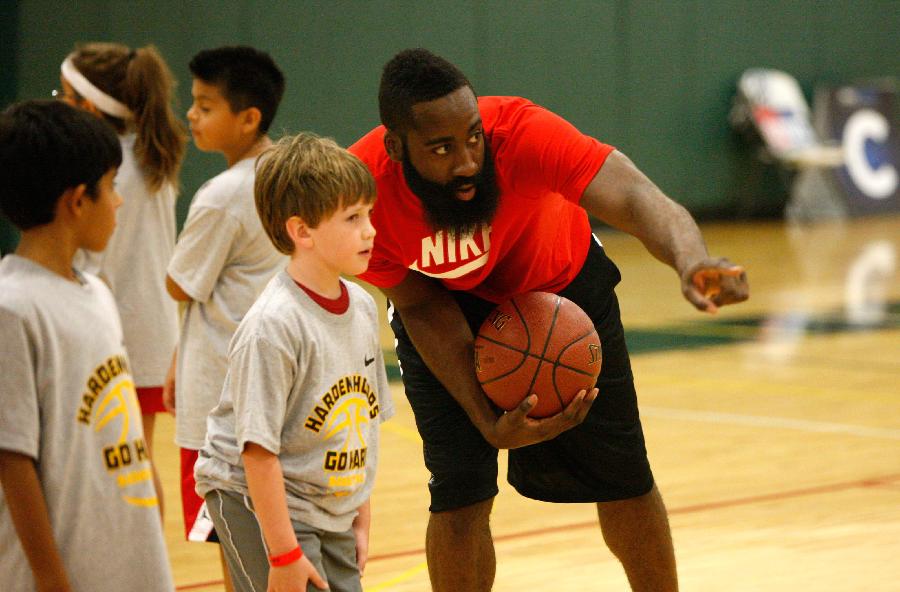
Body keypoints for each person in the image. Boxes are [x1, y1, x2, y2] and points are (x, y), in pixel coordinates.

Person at [349, 48, 750, 591]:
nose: (467, 161)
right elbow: (421, 305)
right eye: (441, 148)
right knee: (460, 492)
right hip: (442, 307)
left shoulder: (523, 132)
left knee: (625, 477)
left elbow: (634, 194)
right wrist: (485, 418)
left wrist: (692, 259)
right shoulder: (365, 193)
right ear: (397, 148)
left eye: (473, 137)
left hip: (562, 284)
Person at [194, 132, 394, 592]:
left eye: (369, 214)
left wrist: (359, 514)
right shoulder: (273, 326)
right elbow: (257, 452)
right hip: (253, 499)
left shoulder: (363, 308)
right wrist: (283, 553)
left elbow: (360, 426)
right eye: (353, 217)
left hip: (326, 503)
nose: (371, 230)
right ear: (302, 231)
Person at [0, 99, 174, 591]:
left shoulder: (96, 293)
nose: (119, 202)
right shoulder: (12, 308)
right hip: (62, 571)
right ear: (77, 201)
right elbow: (12, 460)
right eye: (112, 187)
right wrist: (53, 579)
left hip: (125, 556)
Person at [163, 45, 286, 584]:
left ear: (249, 118)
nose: (191, 114)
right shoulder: (288, 172)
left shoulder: (221, 195)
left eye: (204, 105)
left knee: (237, 554)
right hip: (277, 388)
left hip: (221, 400)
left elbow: (178, 283)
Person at [58, 42, 188, 514]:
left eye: (65, 94)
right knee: (135, 459)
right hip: (151, 332)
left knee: (115, 463)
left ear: (88, 106)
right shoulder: (150, 154)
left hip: (115, 330)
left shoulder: (104, 167)